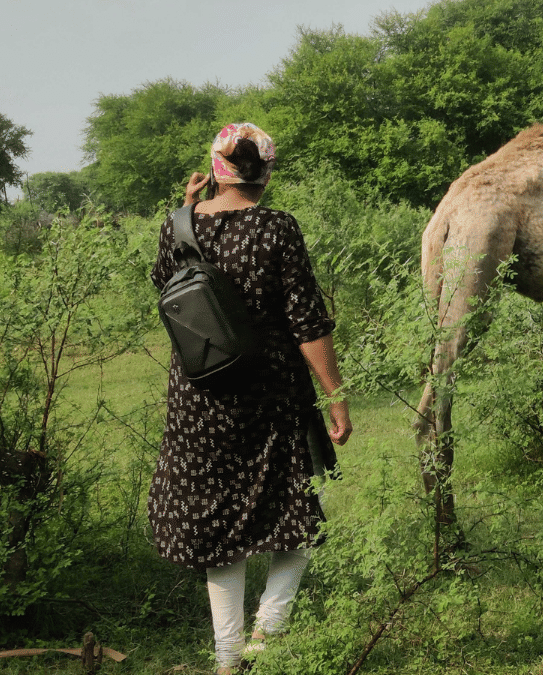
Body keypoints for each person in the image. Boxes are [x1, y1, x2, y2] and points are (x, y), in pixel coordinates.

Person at [149, 122, 351, 674]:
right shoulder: (276, 228)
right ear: (265, 173)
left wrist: (187, 212)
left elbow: (168, 289)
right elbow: (306, 321)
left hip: (199, 397)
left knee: (219, 529)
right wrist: (336, 396)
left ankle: (228, 658)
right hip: (271, 396)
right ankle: (267, 634)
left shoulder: (178, 226)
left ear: (217, 171)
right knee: (298, 515)